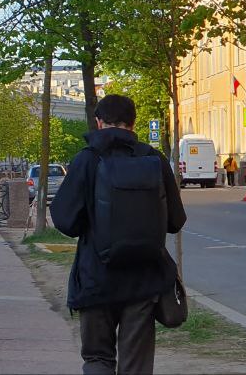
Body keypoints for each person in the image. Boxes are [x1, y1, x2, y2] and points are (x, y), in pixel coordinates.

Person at [51, 94, 185, 375]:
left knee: (97, 358)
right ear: (133, 123)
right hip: (144, 280)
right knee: (136, 365)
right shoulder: (153, 158)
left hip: (96, 278)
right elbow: (176, 221)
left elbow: (65, 220)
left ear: (99, 122)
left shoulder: (87, 159)